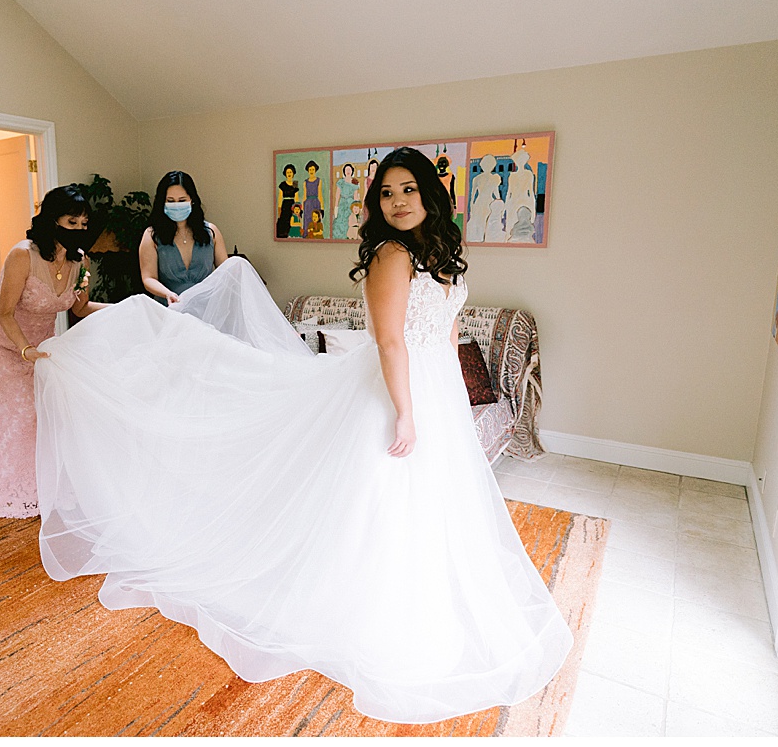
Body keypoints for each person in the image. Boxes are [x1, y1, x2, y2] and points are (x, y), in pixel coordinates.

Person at [33, 148, 571, 723]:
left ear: (430, 194)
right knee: (380, 503)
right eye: (386, 193)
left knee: (427, 503)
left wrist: (451, 403)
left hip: (432, 389)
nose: (397, 202)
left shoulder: (438, 255)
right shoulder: (391, 256)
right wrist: (407, 412)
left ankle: (420, 601)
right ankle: (371, 610)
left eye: (408, 190)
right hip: (395, 393)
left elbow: (447, 332)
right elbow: (391, 343)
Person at [0, 184, 108, 519]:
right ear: (52, 220)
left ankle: (41, 481)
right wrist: (24, 349)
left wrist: (126, 308)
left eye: (83, 225)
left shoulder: (79, 261)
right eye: (71, 223)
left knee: (43, 410)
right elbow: (4, 313)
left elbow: (81, 308)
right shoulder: (22, 255)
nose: (79, 231)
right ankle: (9, 488)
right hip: (2, 339)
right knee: (17, 410)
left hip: (40, 343)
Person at [139, 171, 229, 304]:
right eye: (170, 201)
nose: (176, 205)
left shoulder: (211, 232)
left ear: (191, 200)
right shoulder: (151, 236)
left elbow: (226, 273)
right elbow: (148, 278)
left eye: (182, 200)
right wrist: (168, 294)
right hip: (168, 308)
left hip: (206, 308)